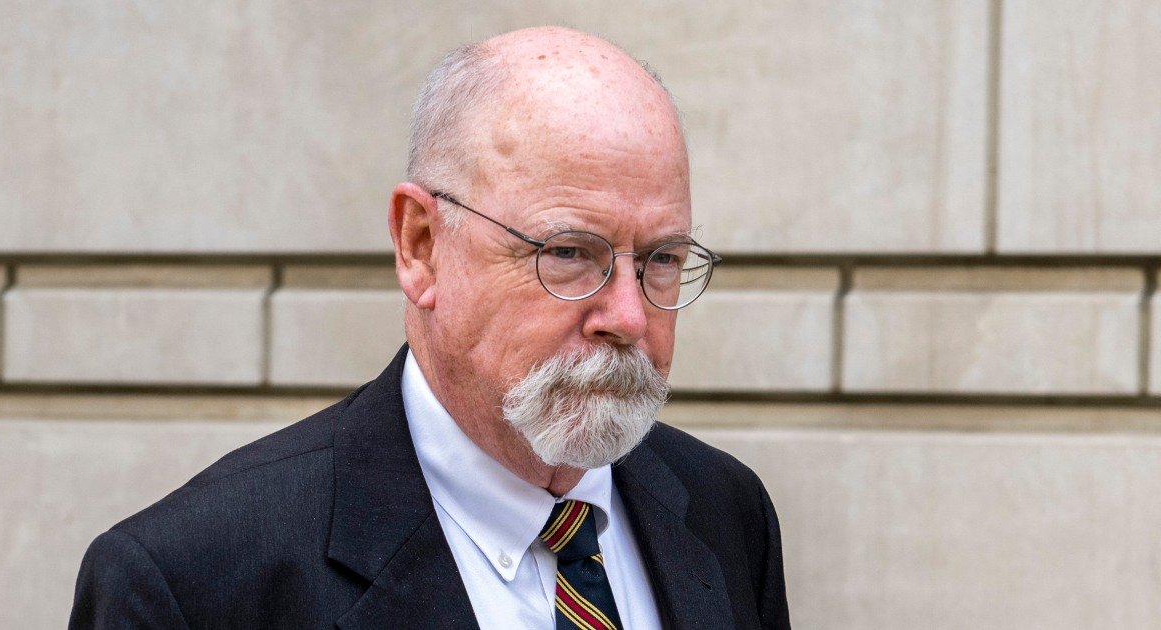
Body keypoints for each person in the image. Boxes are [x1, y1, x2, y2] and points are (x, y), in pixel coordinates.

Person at [69, 26, 789, 629]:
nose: (628, 317)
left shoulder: (725, 512)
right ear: (420, 245)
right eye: (569, 254)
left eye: (662, 260)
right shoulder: (192, 583)